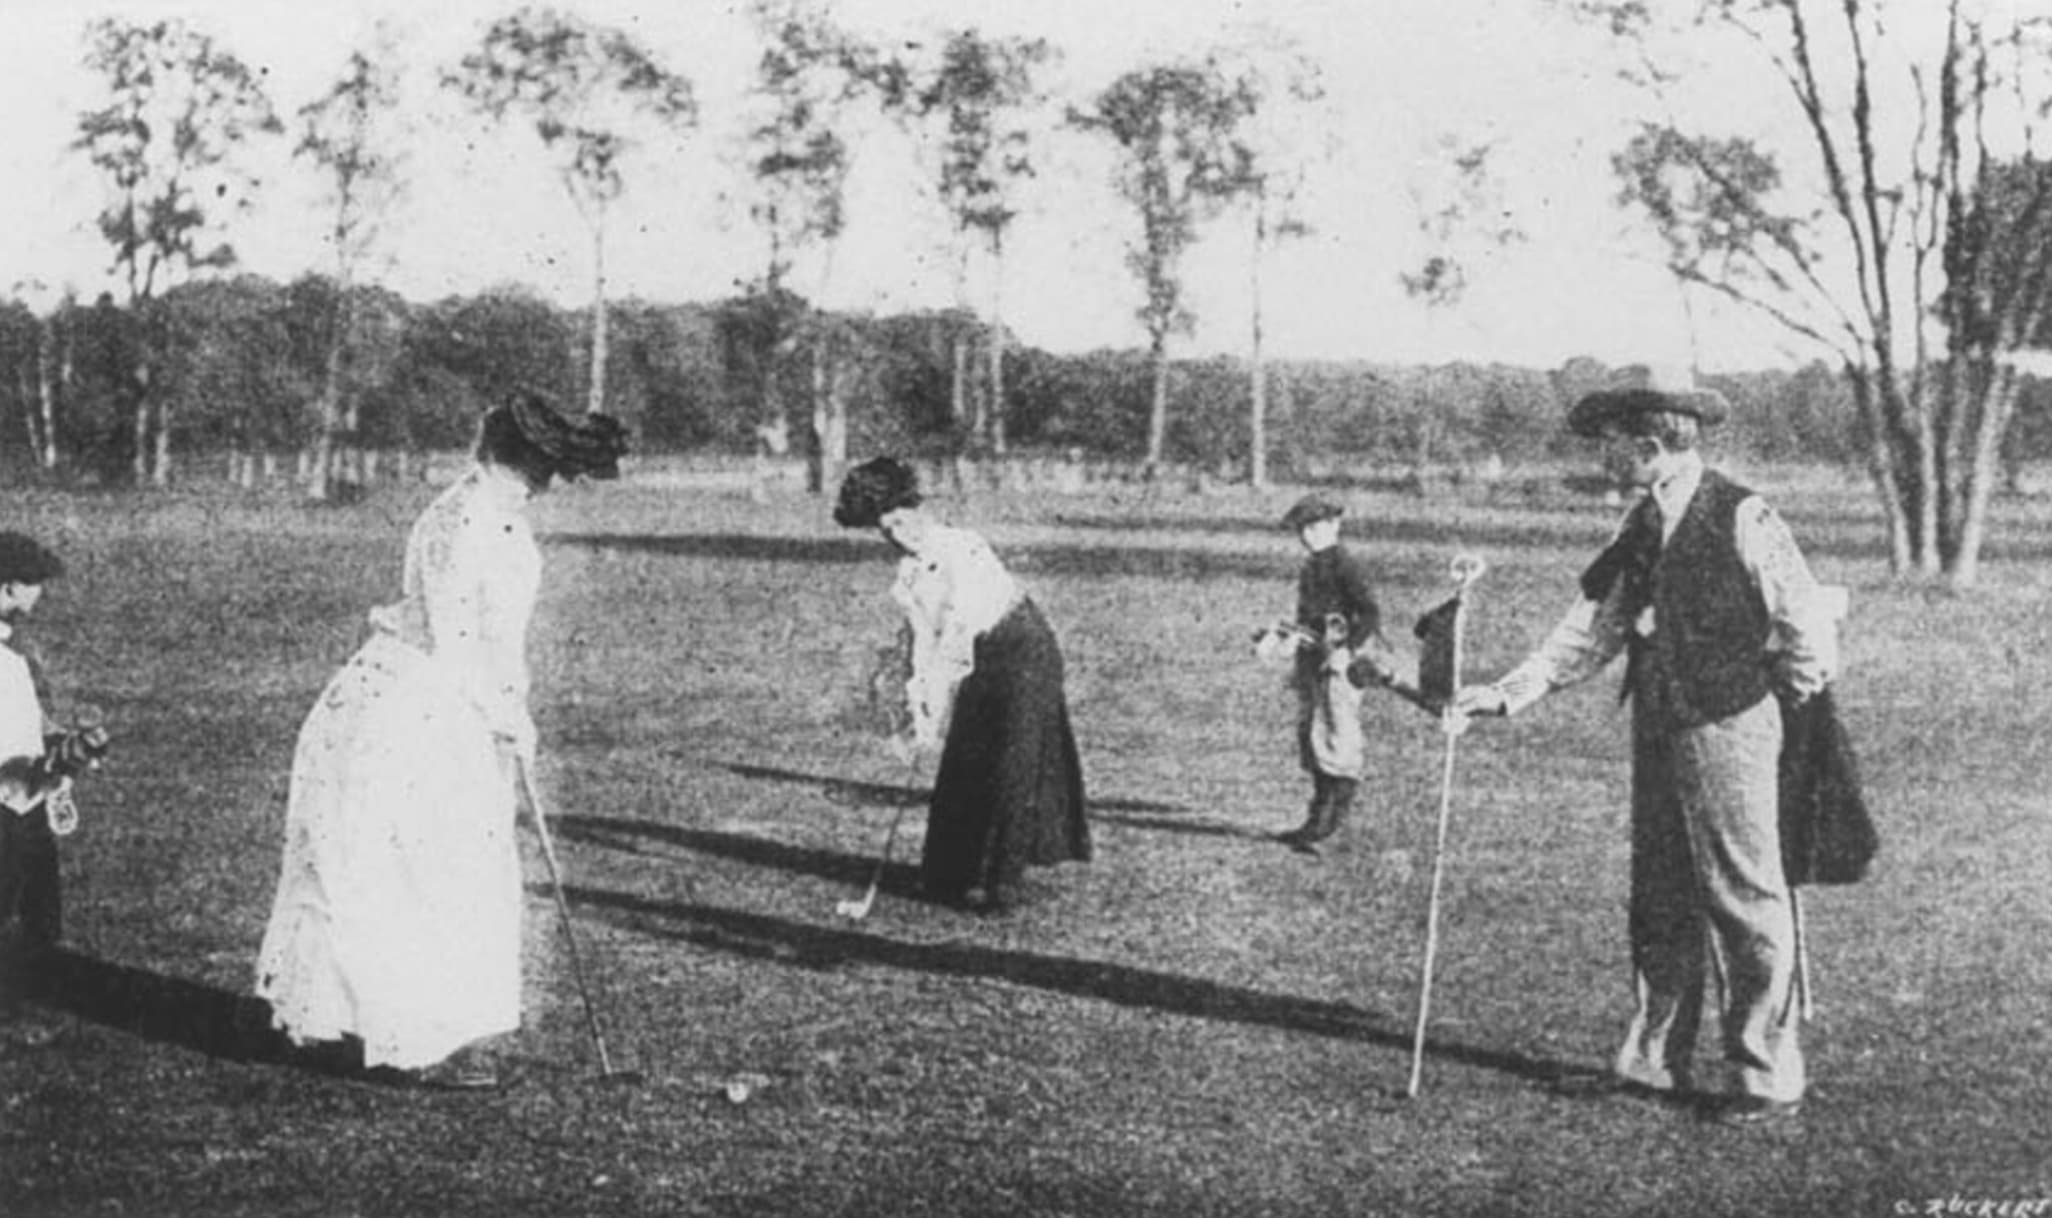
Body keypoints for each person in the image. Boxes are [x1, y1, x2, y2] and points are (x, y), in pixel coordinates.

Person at [1452, 365, 1838, 1126]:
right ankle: (1653, 1062)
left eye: (1611, 442)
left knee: (1744, 894)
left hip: (1730, 723)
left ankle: (1765, 1074)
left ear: (1654, 444)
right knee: (1660, 892)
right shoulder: (1638, 523)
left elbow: (1804, 626)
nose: (1602, 456)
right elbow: (1591, 629)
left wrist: (1779, 700)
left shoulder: (1743, 513)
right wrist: (1508, 691)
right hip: (1661, 724)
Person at [254, 391, 626, 1089]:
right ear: (509, 461)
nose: (542, 486)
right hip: (414, 709)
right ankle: (411, 1040)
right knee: (419, 869)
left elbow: (493, 641)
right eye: (535, 470)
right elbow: (458, 644)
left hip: (430, 703)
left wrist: (513, 709)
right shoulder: (465, 521)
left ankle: (385, 1028)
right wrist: (507, 716)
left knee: (425, 867)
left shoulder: (484, 511)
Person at [833, 456, 1090, 913]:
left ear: (915, 508)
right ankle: (946, 876)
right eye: (883, 528)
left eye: (897, 520)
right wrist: (920, 707)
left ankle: (1002, 886)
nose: (894, 534)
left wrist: (938, 693)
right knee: (964, 759)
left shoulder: (961, 546)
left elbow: (958, 630)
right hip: (978, 657)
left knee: (1013, 764)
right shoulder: (908, 577)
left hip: (1023, 649)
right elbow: (921, 644)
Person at [0, 534, 108, 1046]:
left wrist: (69, 744)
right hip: (10, 803)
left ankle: (23, 1004)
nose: (40, 595)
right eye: (34, 584)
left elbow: (29, 725)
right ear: (8, 587)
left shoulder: (15, 652)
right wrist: (58, 760)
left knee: (39, 907)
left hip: (26, 801)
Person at [1272, 492, 1389, 855]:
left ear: (1334, 525)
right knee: (1314, 734)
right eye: (1302, 529)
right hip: (1315, 659)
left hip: (1341, 664)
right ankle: (1317, 815)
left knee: (1338, 734)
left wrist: (1347, 650)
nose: (1307, 535)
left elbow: (1369, 613)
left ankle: (1330, 819)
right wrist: (1291, 638)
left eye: (1314, 527)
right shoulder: (1314, 565)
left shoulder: (1343, 564)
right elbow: (1311, 617)